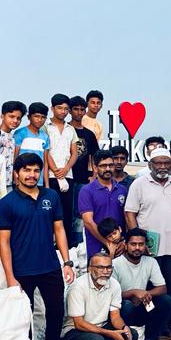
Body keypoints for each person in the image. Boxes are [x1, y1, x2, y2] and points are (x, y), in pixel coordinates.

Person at [0, 153, 78, 340]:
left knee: (56, 313)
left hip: (50, 267)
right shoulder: (7, 203)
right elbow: (3, 242)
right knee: (24, 320)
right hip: (21, 271)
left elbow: (59, 229)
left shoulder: (51, 196)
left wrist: (67, 262)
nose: (31, 175)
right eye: (26, 170)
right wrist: (10, 276)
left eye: (35, 170)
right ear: (16, 173)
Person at [124, 147, 171, 336]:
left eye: (167, 163)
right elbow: (130, 213)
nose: (163, 166)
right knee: (150, 291)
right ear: (150, 165)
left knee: (170, 289)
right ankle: (151, 330)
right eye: (158, 163)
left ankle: (166, 326)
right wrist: (138, 242)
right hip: (149, 249)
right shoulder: (139, 184)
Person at [62, 251, 139, 340]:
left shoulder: (114, 284)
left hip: (100, 327)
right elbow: (79, 323)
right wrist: (110, 333)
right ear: (89, 269)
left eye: (108, 267)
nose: (105, 271)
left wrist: (124, 328)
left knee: (131, 335)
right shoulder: (78, 287)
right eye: (100, 267)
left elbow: (115, 316)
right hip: (76, 331)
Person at [112, 229, 171, 340]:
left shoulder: (150, 261)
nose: (137, 248)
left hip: (142, 304)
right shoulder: (115, 264)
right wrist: (133, 293)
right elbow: (110, 295)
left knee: (167, 301)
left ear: (145, 245)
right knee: (127, 305)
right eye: (133, 244)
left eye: (141, 244)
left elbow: (162, 288)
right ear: (125, 245)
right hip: (121, 308)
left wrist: (144, 294)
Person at [78, 150, 128, 259]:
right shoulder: (87, 191)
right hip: (96, 249)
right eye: (103, 166)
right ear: (95, 168)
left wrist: (124, 242)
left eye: (111, 165)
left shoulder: (122, 190)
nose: (108, 169)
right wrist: (108, 243)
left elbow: (127, 218)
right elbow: (88, 221)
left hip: (120, 248)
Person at [45, 94, 79, 245]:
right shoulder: (45, 127)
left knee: (66, 212)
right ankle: (49, 245)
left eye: (66, 109)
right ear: (52, 108)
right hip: (50, 176)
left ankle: (66, 247)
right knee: (49, 211)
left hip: (68, 176)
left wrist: (66, 169)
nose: (63, 111)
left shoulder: (70, 129)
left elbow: (75, 153)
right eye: (59, 108)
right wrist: (56, 170)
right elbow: (45, 151)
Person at [69, 95, 100, 246]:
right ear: (70, 110)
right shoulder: (65, 130)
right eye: (76, 109)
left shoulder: (89, 134)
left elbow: (95, 156)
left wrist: (94, 175)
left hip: (83, 179)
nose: (79, 112)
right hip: (64, 178)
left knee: (79, 214)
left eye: (82, 109)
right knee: (65, 212)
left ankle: (77, 245)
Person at [13, 102, 50, 180]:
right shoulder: (20, 133)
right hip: (22, 179)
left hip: (38, 179)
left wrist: (46, 184)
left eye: (43, 117)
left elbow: (45, 163)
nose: (40, 120)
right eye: (36, 116)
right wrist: (15, 179)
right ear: (29, 117)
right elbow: (15, 158)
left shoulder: (45, 137)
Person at [0, 100, 26, 192]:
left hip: (9, 183)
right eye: (11, 117)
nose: (15, 121)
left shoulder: (14, 138)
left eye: (18, 118)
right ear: (2, 116)